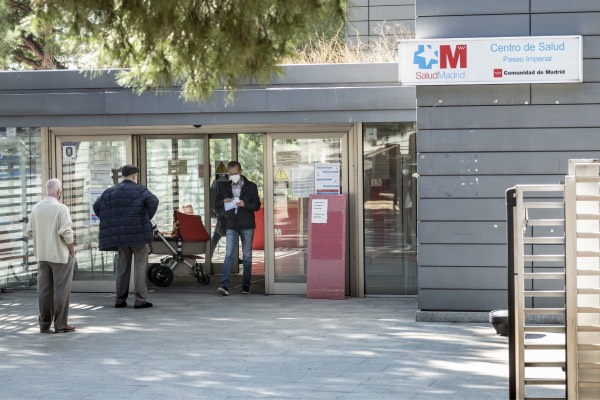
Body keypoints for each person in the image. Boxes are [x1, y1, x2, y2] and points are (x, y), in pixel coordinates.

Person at [93, 164, 159, 309]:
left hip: (121, 238)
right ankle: (140, 300)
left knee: (122, 267)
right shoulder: (141, 190)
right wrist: (146, 217)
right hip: (139, 235)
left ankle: (120, 299)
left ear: (123, 176)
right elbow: (153, 201)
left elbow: (97, 206)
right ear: (135, 176)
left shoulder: (110, 191)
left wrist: (111, 220)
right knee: (140, 267)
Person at [27, 179, 76, 334]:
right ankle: (60, 324)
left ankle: (44, 324)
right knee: (61, 290)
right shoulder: (61, 208)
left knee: (44, 290)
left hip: (42, 255)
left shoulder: (36, 208)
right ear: (58, 191)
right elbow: (66, 232)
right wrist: (71, 249)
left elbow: (30, 231)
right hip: (60, 255)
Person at [215, 161, 260, 295]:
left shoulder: (251, 186)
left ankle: (246, 286)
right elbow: (216, 203)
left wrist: (244, 204)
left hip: (246, 225)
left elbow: (256, 205)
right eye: (231, 174)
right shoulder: (224, 187)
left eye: (236, 173)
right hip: (231, 225)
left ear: (241, 171)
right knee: (228, 255)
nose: (233, 176)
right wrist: (224, 201)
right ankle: (224, 286)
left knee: (247, 256)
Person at [209, 177, 227, 256]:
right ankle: (209, 256)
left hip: (221, 213)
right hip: (224, 214)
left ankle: (209, 256)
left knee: (216, 236)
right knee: (216, 236)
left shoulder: (215, 182)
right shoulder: (221, 183)